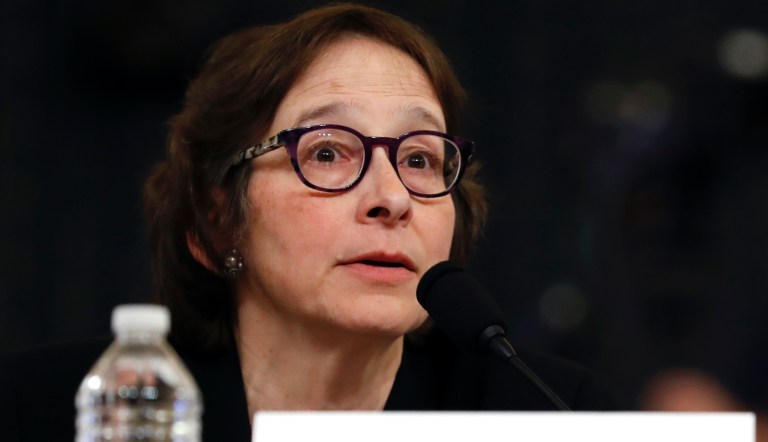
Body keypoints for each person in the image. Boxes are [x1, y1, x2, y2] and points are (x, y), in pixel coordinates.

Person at [0, 3, 613, 441]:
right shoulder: (51, 411)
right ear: (216, 225)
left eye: (420, 158)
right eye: (326, 152)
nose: (391, 198)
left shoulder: (550, 415)